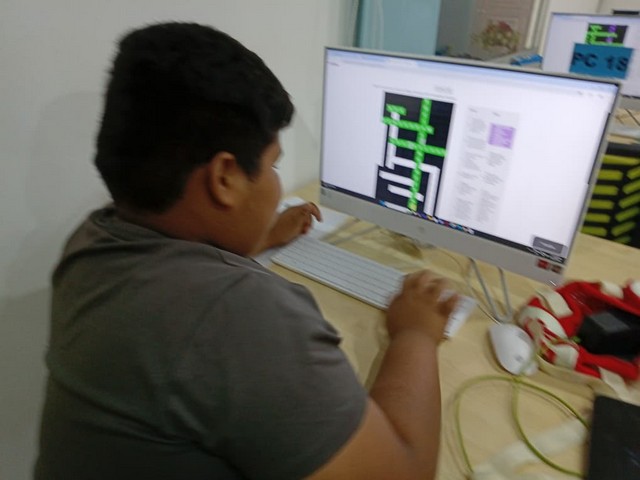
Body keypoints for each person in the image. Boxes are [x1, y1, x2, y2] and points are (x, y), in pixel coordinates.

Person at [35, 22, 458, 480]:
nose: (277, 185)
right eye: (274, 165)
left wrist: (260, 236)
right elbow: (403, 473)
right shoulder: (232, 315)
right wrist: (416, 333)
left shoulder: (92, 242)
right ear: (225, 178)